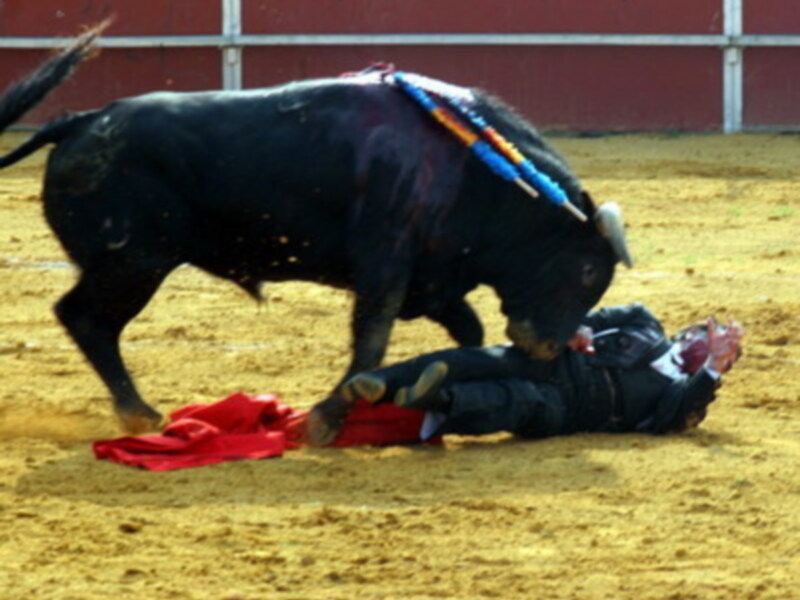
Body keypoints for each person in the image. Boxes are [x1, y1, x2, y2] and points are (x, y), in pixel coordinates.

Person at [305, 303, 743, 446]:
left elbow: (678, 415)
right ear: (690, 331)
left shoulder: (684, 397)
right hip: (555, 361)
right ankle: (379, 384)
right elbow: (590, 314)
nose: (716, 342)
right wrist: (577, 327)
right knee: (478, 360)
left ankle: (433, 398)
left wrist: (712, 370)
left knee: (518, 400)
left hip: (570, 410)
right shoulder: (643, 322)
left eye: (726, 350)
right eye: (714, 334)